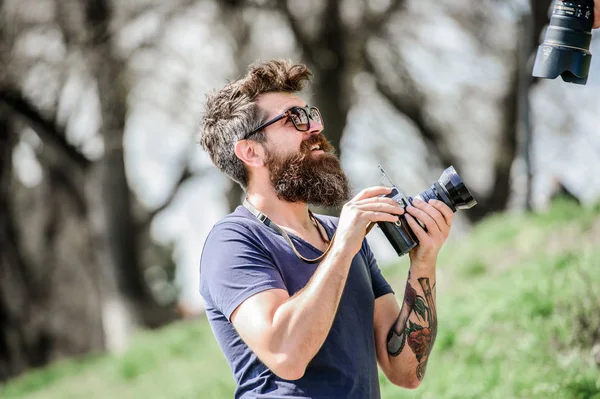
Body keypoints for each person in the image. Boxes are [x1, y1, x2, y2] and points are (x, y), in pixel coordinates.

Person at [199, 60, 453, 399]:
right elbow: (286, 355)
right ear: (251, 151)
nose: (315, 128)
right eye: (294, 119)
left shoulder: (342, 235)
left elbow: (406, 371)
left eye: (312, 115)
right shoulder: (232, 241)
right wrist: (343, 247)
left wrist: (423, 263)